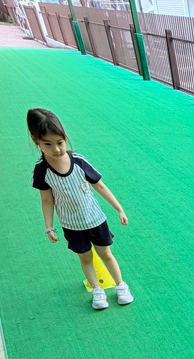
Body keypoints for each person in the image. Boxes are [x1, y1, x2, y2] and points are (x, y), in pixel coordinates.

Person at [28, 108, 133, 310]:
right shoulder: (41, 170)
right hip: (72, 225)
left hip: (95, 220)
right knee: (85, 258)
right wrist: (49, 227)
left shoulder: (78, 161)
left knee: (106, 254)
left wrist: (119, 209)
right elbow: (47, 200)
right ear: (36, 141)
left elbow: (99, 186)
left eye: (60, 142)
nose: (56, 149)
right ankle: (97, 290)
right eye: (48, 144)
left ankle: (121, 285)